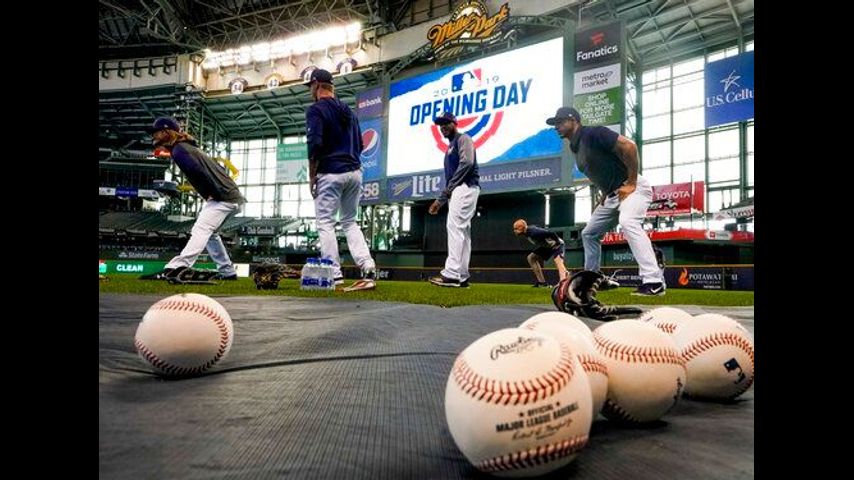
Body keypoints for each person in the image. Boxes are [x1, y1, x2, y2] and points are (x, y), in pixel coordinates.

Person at [547, 106, 666, 296]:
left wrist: (632, 182)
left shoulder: (593, 133)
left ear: (574, 120)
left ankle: (654, 281)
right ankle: (593, 279)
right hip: (611, 195)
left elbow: (630, 146)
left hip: (632, 188)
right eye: (555, 123)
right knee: (588, 233)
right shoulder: (574, 147)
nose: (556, 126)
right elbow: (601, 169)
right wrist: (604, 192)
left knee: (628, 222)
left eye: (560, 122)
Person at [140, 117, 244, 281]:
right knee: (210, 234)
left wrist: (214, 192)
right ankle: (227, 272)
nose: (153, 136)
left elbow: (199, 171)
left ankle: (175, 268)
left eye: (156, 132)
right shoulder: (185, 147)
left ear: (166, 132)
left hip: (223, 197)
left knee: (201, 230)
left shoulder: (179, 150)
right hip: (231, 196)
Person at [305, 68, 376, 291]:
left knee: (325, 222)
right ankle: (368, 265)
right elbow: (361, 145)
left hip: (331, 172)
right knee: (349, 221)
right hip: (354, 172)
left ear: (317, 85)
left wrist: (312, 174)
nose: (310, 90)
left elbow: (314, 144)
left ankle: (333, 274)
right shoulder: (348, 111)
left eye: (311, 86)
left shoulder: (316, 109)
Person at [428, 112, 480, 288]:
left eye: (446, 123)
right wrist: (442, 199)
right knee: (463, 232)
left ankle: (451, 274)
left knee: (455, 227)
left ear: (455, 123)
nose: (442, 127)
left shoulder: (463, 138)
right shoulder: (450, 146)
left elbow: (467, 163)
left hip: (465, 186)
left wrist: (443, 195)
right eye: (440, 124)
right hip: (460, 189)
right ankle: (462, 275)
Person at [512, 219, 568, 287]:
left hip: (557, 244)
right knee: (531, 258)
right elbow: (538, 227)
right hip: (547, 246)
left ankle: (563, 282)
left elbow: (551, 233)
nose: (514, 231)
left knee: (558, 261)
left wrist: (557, 243)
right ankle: (542, 283)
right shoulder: (527, 232)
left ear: (521, 227)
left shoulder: (533, 232)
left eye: (516, 229)